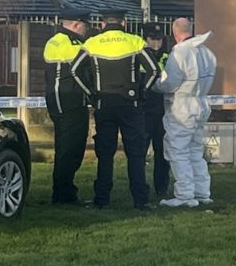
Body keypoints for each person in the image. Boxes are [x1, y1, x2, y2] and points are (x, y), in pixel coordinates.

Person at [75, 17, 159, 210]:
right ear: (123, 23)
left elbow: (74, 70)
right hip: (131, 104)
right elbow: (154, 71)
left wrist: (91, 94)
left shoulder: (92, 43)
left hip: (104, 103)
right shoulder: (135, 41)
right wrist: (142, 92)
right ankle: (141, 200)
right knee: (136, 153)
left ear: (103, 24)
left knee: (105, 154)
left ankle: (101, 199)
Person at [158, 17, 217, 208]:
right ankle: (202, 192)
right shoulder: (207, 52)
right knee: (195, 151)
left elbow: (171, 83)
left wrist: (154, 85)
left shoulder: (180, 52)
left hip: (182, 107)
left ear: (175, 33)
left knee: (178, 151)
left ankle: (184, 195)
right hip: (201, 104)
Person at [41, 12, 93, 205]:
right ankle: (64, 194)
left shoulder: (57, 40)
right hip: (68, 101)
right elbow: (82, 65)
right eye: (85, 25)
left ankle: (64, 191)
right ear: (77, 24)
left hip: (62, 100)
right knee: (69, 148)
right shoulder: (66, 43)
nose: (87, 29)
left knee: (67, 147)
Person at [140, 23, 171, 200]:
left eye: (159, 39)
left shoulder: (167, 57)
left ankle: (161, 187)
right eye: (153, 39)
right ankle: (140, 187)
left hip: (162, 111)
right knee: (141, 152)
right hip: (144, 111)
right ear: (146, 39)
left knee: (162, 152)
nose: (157, 43)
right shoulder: (140, 56)